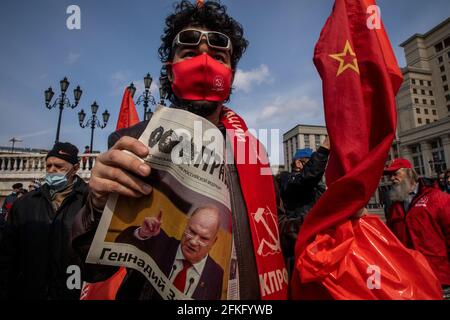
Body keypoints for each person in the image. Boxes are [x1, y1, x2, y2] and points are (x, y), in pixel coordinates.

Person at [72, 0, 286, 300]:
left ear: (232, 75)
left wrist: (334, 216)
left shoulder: (253, 151)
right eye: (189, 54)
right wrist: (96, 206)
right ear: (171, 73)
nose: (203, 62)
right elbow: (94, 269)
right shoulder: (133, 142)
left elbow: (276, 230)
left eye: (217, 56)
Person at [0, 142, 88, 299]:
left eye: (59, 166)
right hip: (30, 291)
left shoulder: (89, 202)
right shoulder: (25, 204)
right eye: (48, 166)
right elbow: (7, 255)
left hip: (72, 291)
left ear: (75, 168)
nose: (52, 170)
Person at [116, 206, 223, 299]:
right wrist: (142, 233)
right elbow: (120, 244)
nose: (193, 242)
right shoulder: (159, 241)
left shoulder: (216, 273)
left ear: (214, 241)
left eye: (203, 238)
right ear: (186, 225)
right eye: (192, 231)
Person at [383, 158, 450, 298]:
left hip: (439, 278)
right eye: (390, 175)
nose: (392, 179)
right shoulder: (394, 206)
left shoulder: (437, 198)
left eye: (396, 173)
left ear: (409, 173)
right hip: (409, 278)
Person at [278, 138, 330, 274]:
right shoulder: (287, 179)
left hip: (317, 246)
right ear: (298, 163)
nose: (316, 167)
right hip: (298, 248)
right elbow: (307, 178)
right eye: (310, 162)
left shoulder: (317, 188)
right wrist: (324, 149)